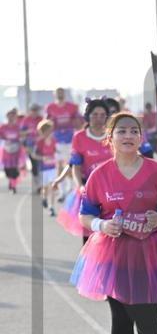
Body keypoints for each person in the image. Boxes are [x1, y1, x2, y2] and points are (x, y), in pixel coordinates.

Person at [71, 112, 157, 334]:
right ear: (110, 138)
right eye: (121, 131)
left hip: (148, 251)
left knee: (149, 319)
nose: (128, 136)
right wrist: (101, 225)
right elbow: (85, 215)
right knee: (120, 313)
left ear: (141, 137)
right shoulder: (99, 175)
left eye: (134, 131)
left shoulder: (156, 171)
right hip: (113, 252)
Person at [56, 99, 112, 243]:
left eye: (102, 115)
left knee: (111, 232)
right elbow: (76, 165)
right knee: (89, 234)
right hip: (89, 189)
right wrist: (80, 186)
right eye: (95, 114)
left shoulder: (113, 135)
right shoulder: (79, 137)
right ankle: (89, 256)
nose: (99, 118)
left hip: (112, 188)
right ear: (87, 116)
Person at [45, 88, 81, 200]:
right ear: (54, 94)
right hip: (57, 140)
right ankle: (62, 191)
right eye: (57, 93)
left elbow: (78, 121)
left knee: (70, 165)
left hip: (70, 140)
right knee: (59, 165)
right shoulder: (50, 107)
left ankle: (70, 188)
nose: (59, 94)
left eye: (61, 92)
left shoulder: (72, 107)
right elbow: (47, 123)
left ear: (64, 94)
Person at [33, 120, 57, 215]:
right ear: (43, 131)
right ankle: (44, 198)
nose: (49, 132)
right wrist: (43, 158)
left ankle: (51, 207)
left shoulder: (54, 140)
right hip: (43, 169)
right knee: (45, 188)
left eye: (50, 130)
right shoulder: (39, 142)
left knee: (52, 186)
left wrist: (56, 157)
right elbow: (34, 155)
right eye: (47, 130)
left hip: (52, 168)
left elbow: (56, 151)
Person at [0, 109, 25, 193]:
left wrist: (21, 139)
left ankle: (13, 185)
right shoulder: (3, 127)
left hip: (16, 149)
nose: (11, 118)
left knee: (14, 168)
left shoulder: (17, 127)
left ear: (15, 117)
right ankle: (11, 180)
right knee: (7, 169)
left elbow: (21, 135)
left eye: (12, 116)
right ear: (7, 117)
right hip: (6, 149)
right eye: (9, 116)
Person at [20, 104, 42, 191]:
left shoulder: (41, 119)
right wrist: (28, 131)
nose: (35, 112)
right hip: (30, 145)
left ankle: (41, 184)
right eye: (33, 110)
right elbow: (21, 133)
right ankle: (37, 184)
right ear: (30, 111)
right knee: (34, 164)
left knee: (40, 164)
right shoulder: (26, 120)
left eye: (36, 110)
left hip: (40, 145)